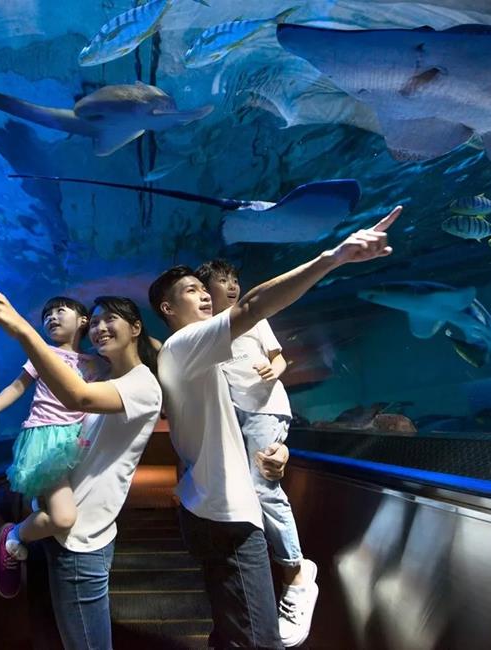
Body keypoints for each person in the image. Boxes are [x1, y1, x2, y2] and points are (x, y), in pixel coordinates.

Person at [150, 207, 402, 648]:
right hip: (226, 516)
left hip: (207, 508)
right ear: (168, 308)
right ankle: (298, 570)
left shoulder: (202, 354)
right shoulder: (185, 344)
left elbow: (234, 418)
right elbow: (253, 305)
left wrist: (279, 447)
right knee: (257, 639)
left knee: (232, 631)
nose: (206, 295)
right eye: (192, 290)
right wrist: (333, 257)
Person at [0, 265, 162, 650]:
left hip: (84, 539)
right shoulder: (108, 374)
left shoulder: (131, 382)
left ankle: (14, 535)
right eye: (98, 321)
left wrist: (23, 329)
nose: (100, 327)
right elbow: (24, 386)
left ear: (136, 327)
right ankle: (17, 536)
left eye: (112, 319)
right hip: (61, 494)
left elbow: (79, 397)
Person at [195, 258, 317, 647]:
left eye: (234, 280)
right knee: (245, 491)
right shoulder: (206, 329)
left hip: (265, 406)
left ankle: (296, 574)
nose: (231, 287)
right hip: (236, 412)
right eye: (221, 281)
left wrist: (274, 369)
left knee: (263, 488)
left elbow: (279, 356)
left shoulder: (250, 316)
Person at [0, 296, 104, 599]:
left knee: (69, 510)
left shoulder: (95, 362)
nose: (51, 316)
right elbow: (17, 387)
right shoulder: (43, 353)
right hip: (46, 440)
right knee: (64, 517)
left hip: (78, 439)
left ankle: (35, 517)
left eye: (60, 311)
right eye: (47, 313)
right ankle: (12, 537)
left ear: (83, 321)